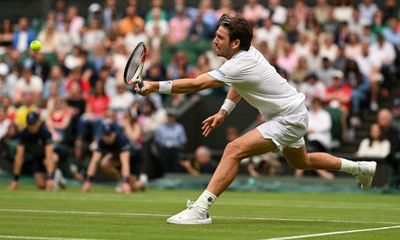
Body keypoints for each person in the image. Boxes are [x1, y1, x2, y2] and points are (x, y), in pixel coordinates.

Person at [135, 14, 377, 225]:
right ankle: (359, 168)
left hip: (288, 117)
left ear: (236, 42)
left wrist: (155, 85)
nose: (214, 40)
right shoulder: (244, 56)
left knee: (233, 150)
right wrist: (223, 112)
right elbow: (238, 85)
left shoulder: (241, 63)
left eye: (220, 37)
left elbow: (197, 84)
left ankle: (200, 209)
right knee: (302, 162)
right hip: (294, 112)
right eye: (216, 35)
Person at [81, 122, 143, 193]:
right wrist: (88, 181)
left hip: (134, 158)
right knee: (105, 164)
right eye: (105, 135)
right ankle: (121, 181)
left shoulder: (121, 140)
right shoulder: (101, 141)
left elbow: (125, 163)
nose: (107, 137)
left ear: (114, 134)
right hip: (117, 156)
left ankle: (141, 184)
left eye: (109, 135)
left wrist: (125, 182)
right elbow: (94, 161)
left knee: (132, 187)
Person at [8, 112, 59, 190]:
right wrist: (15, 179)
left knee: (51, 159)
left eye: (34, 124)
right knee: (41, 185)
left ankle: (56, 176)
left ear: (38, 122)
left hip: (49, 157)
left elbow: (49, 156)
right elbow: (19, 157)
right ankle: (54, 179)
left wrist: (50, 178)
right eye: (30, 124)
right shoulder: (23, 134)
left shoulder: (45, 133)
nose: (32, 127)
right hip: (37, 158)